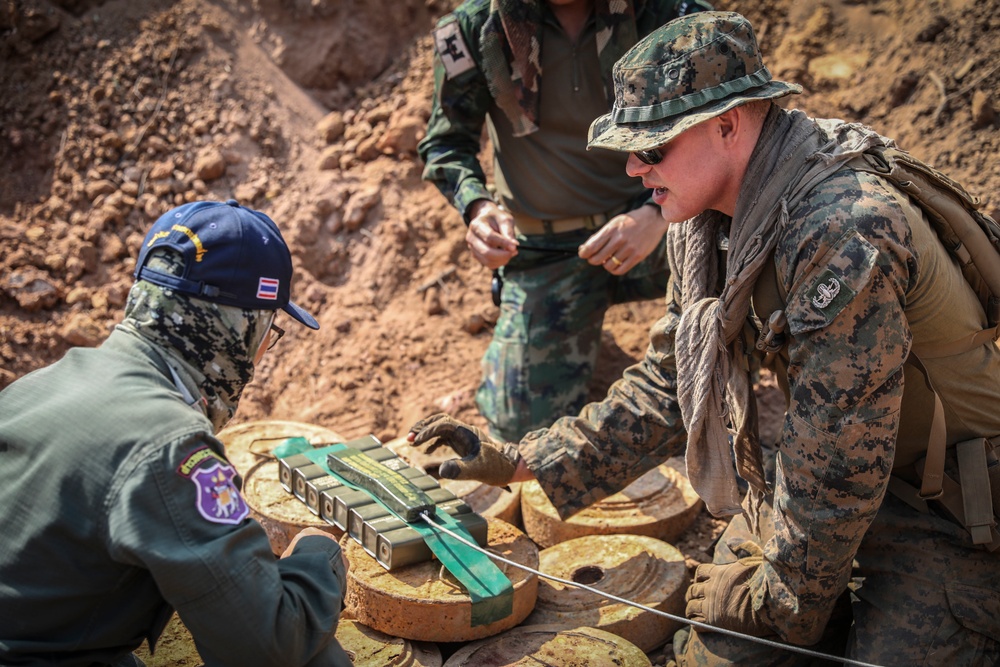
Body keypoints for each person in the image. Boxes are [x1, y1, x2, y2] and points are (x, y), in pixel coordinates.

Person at [409, 11, 1000, 665]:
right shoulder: (712, 220)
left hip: (946, 505)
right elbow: (669, 382)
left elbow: (839, 465)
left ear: (729, 123)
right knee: (719, 645)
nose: (633, 168)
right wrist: (524, 460)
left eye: (653, 147)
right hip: (837, 477)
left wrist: (782, 604)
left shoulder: (842, 230)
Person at [0, 200, 351, 667]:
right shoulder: (172, 446)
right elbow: (265, 647)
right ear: (237, 330)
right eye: (269, 330)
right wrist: (319, 555)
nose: (265, 350)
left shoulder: (34, 387)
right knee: (316, 658)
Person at [418, 0, 711, 441]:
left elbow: (721, 136)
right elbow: (447, 144)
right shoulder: (476, 29)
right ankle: (559, 322)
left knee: (751, 249)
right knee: (523, 434)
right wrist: (478, 208)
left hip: (664, 223)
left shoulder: (670, 13)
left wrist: (657, 214)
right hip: (552, 253)